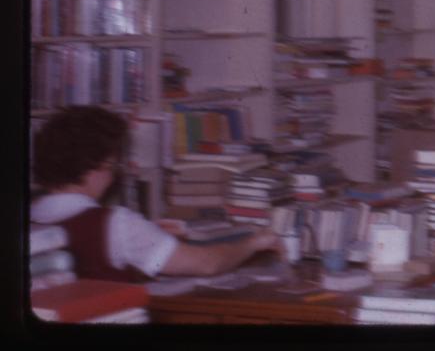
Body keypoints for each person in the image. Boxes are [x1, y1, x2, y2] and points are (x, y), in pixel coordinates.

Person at [30, 106, 283, 281]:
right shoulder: (114, 223)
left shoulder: (30, 219)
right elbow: (207, 264)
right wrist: (254, 242)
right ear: (100, 165)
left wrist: (150, 238)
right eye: (113, 165)